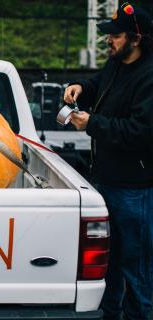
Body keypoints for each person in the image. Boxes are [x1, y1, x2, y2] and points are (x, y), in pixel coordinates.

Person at [64, 3, 153, 319]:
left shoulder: (148, 77)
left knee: (137, 268)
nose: (108, 40)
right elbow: (99, 83)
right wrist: (80, 88)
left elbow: (140, 132)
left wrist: (92, 124)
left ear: (135, 38)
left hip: (134, 190)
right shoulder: (117, 64)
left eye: (114, 35)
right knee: (109, 264)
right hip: (105, 182)